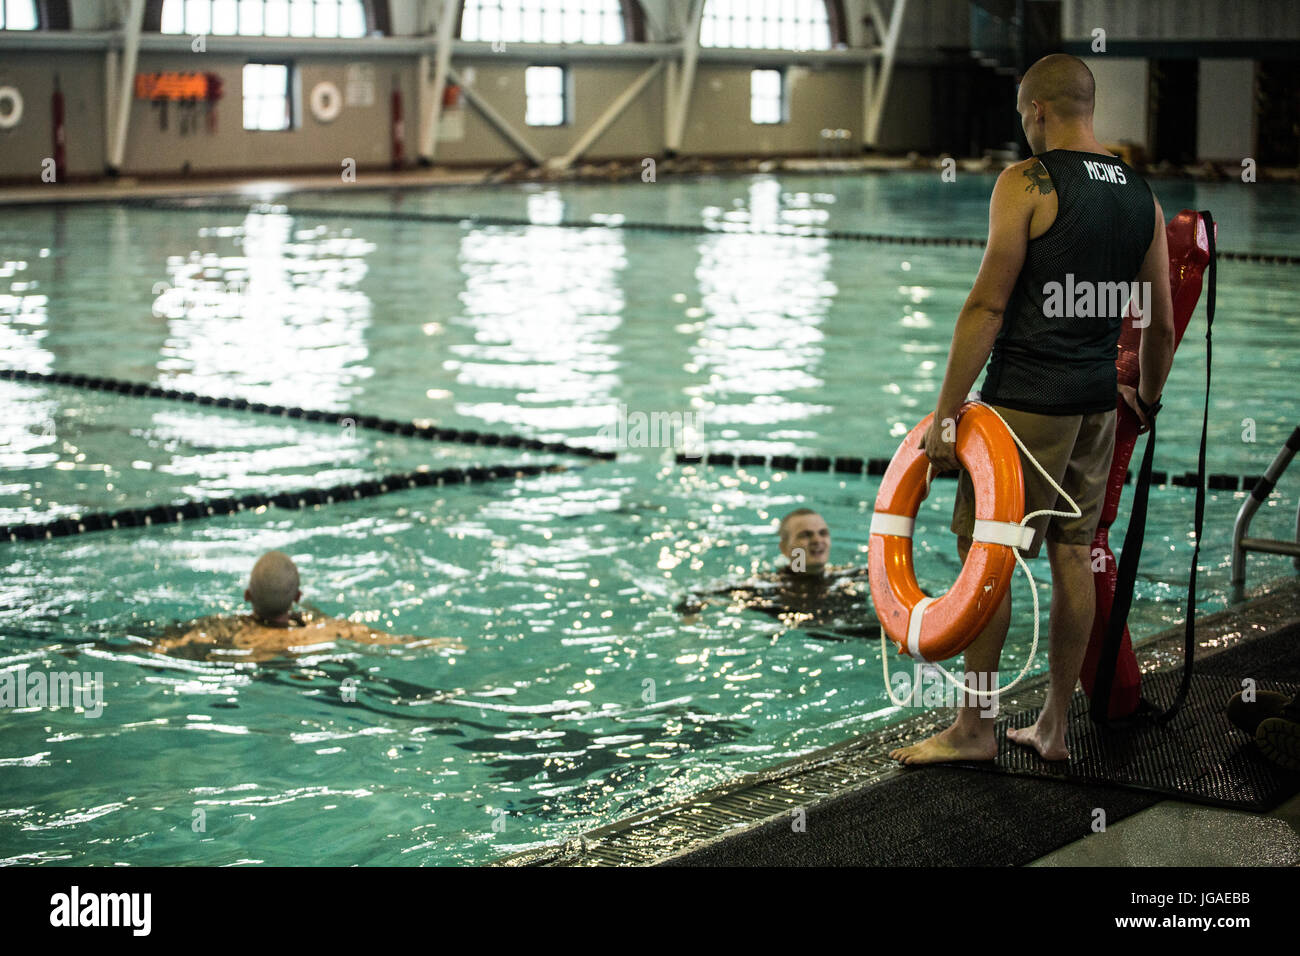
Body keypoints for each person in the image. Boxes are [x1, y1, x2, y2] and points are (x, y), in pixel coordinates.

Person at [889, 53, 1176, 764]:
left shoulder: (1028, 182)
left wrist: (948, 412)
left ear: (1038, 110)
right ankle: (1052, 725)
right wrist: (1146, 398)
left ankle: (976, 730)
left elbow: (987, 305)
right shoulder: (1142, 193)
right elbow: (1160, 325)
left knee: (986, 554)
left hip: (1025, 405)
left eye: (1023, 115)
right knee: (1072, 551)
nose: (1024, 127)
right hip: (1097, 407)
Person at [151, 550, 460, 662]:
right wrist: (437, 643)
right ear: (298, 598)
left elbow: (162, 646)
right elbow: (392, 642)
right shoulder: (327, 630)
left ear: (247, 596)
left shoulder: (226, 633)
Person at [677, 508, 873, 637]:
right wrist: (691, 623)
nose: (817, 540)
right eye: (805, 535)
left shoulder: (849, 575)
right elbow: (695, 594)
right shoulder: (766, 586)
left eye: (823, 533)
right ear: (785, 548)